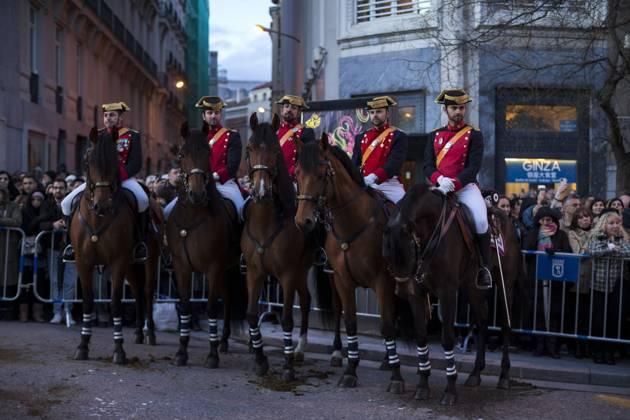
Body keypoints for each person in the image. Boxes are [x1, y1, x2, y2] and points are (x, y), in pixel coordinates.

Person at [61, 102, 149, 262]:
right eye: (106, 115)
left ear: (120, 118)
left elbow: (136, 162)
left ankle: (139, 243)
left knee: (143, 200)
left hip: (124, 178)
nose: (109, 118)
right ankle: (71, 245)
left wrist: (118, 176)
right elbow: (88, 160)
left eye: (113, 115)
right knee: (66, 203)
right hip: (98, 181)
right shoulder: (97, 135)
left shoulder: (132, 135)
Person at [423, 89, 491, 288]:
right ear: (446, 110)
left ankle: (483, 268)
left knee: (480, 220)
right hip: (440, 186)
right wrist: (440, 179)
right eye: (454, 108)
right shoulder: (434, 135)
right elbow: (427, 165)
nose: (458, 111)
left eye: (461, 107)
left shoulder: (474, 135)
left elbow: (473, 166)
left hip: (465, 188)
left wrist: (455, 183)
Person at [164, 96, 244, 219]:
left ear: (220, 115)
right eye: (209, 113)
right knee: (167, 212)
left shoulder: (232, 136)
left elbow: (232, 165)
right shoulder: (195, 136)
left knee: (241, 211)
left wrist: (215, 176)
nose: (213, 116)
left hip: (224, 184)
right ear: (203, 116)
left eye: (216, 113)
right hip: (197, 183)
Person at [522, 206, 572, 358]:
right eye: (542, 220)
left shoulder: (561, 234)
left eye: (548, 220)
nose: (545, 222)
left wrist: (554, 251)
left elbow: (568, 253)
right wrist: (539, 241)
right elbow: (527, 250)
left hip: (555, 279)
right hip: (536, 278)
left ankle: (552, 347)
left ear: (553, 220)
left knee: (553, 314)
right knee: (538, 313)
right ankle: (539, 345)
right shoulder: (533, 233)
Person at [586, 209, 630, 364]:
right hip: (598, 284)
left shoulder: (621, 238)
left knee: (613, 319)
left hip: (615, 286)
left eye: (618, 223)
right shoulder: (597, 236)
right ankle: (597, 352)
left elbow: (627, 251)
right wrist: (609, 249)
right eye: (612, 223)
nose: (615, 226)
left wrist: (611, 250)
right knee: (598, 320)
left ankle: (609, 353)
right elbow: (592, 250)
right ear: (605, 224)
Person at [352, 96, 408, 204]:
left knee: (406, 209)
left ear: (387, 113)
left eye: (379, 111)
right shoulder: (360, 137)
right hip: (364, 183)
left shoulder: (398, 136)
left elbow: (394, 163)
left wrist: (374, 177)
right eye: (372, 112)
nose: (375, 115)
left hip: (389, 185)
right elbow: (354, 163)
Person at [40, 177, 75, 325]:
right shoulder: (47, 205)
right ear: (52, 189)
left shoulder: (73, 203)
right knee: (55, 281)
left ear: (66, 189)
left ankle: (68, 311)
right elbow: (40, 223)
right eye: (55, 187)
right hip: (53, 248)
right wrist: (53, 225)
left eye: (61, 187)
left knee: (69, 282)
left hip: (71, 248)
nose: (58, 190)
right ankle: (57, 312)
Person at [566, 207, 593, 359]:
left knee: (589, 315)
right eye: (581, 217)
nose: (585, 219)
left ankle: (587, 346)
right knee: (577, 315)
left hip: (594, 279)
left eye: (587, 217)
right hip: (578, 280)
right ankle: (576, 345)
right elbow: (579, 253)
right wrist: (592, 240)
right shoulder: (572, 233)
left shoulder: (597, 233)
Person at [19, 191, 47, 322]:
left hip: (40, 252)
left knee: (39, 282)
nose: (36, 201)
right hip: (26, 251)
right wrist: (38, 221)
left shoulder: (45, 212)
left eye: (39, 199)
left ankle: (38, 313)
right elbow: (25, 228)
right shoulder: (24, 211)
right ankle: (23, 313)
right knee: (24, 282)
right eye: (34, 199)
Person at [275, 95, 315, 180]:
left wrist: (291, 174)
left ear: (299, 113)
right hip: (276, 180)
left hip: (297, 179)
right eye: (286, 106)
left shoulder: (306, 132)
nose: (289, 109)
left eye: (293, 108)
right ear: (282, 111)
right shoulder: (274, 132)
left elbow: (308, 159)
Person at [0, 187, 22, 320]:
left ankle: (8, 312)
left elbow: (17, 222)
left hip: (9, 248)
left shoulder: (13, 206)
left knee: (8, 280)